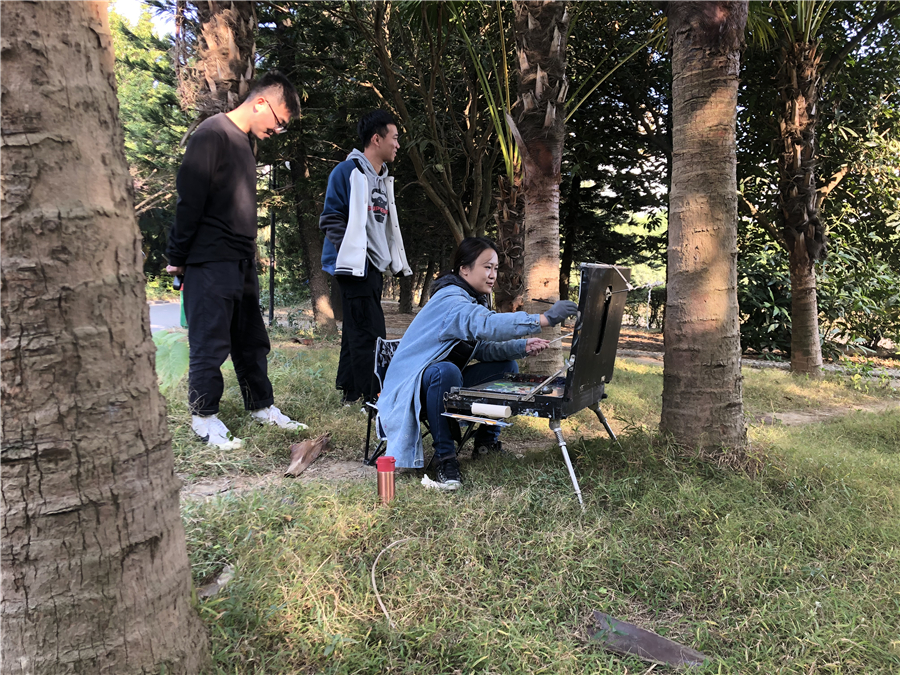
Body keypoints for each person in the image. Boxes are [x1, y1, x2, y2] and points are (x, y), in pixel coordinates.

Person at [165, 71, 307, 450]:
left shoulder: (243, 143)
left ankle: (261, 406)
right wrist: (177, 256)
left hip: (240, 261)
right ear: (260, 103)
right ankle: (204, 418)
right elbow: (189, 201)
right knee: (210, 341)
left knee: (251, 341)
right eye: (278, 122)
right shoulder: (211, 134)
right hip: (209, 259)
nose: (277, 131)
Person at [376, 237, 578, 489]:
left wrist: (521, 347)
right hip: (411, 388)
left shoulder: (472, 299)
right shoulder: (451, 300)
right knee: (445, 370)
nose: (493, 275)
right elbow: (486, 324)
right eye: (487, 267)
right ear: (464, 269)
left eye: (496, 268)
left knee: (506, 367)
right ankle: (445, 458)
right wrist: (544, 319)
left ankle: (486, 443)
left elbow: (478, 348)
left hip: (443, 383)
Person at [319, 110, 412, 405]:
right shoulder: (347, 172)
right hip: (353, 266)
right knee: (370, 332)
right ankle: (373, 397)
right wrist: (352, 250)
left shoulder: (382, 179)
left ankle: (351, 391)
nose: (397, 144)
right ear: (376, 139)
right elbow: (330, 218)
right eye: (394, 138)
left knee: (355, 329)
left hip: (374, 266)